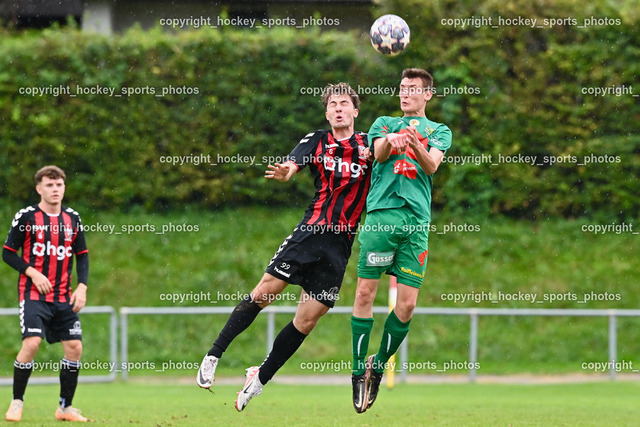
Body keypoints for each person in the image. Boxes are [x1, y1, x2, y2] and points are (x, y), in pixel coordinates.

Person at [196, 83, 371, 411]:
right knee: (264, 293)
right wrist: (286, 172)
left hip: (340, 247)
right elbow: (294, 163)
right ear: (326, 112)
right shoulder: (317, 140)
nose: (338, 108)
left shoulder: (368, 146)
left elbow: (388, 159)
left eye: (344, 103)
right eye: (332, 104)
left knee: (307, 321)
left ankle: (259, 377)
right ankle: (213, 355)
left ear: (355, 111)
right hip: (310, 234)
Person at [350, 68, 452, 413]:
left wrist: (414, 145)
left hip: (416, 223)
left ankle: (376, 368)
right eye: (402, 88)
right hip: (381, 217)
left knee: (406, 306)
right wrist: (393, 140)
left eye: (412, 89)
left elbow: (432, 166)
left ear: (428, 95)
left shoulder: (439, 130)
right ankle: (356, 371)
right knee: (365, 292)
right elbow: (377, 153)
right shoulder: (383, 122)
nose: (405, 93)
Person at [3, 165, 90, 422]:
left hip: (63, 297)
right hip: (32, 296)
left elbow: (82, 256)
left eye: (59, 184)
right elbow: (7, 252)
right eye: (49, 185)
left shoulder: (73, 219)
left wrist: (82, 286)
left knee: (74, 347)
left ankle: (64, 408)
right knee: (32, 343)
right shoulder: (27, 217)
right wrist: (32, 272)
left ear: (64, 187)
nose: (55, 189)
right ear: (39, 188)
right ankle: (17, 402)